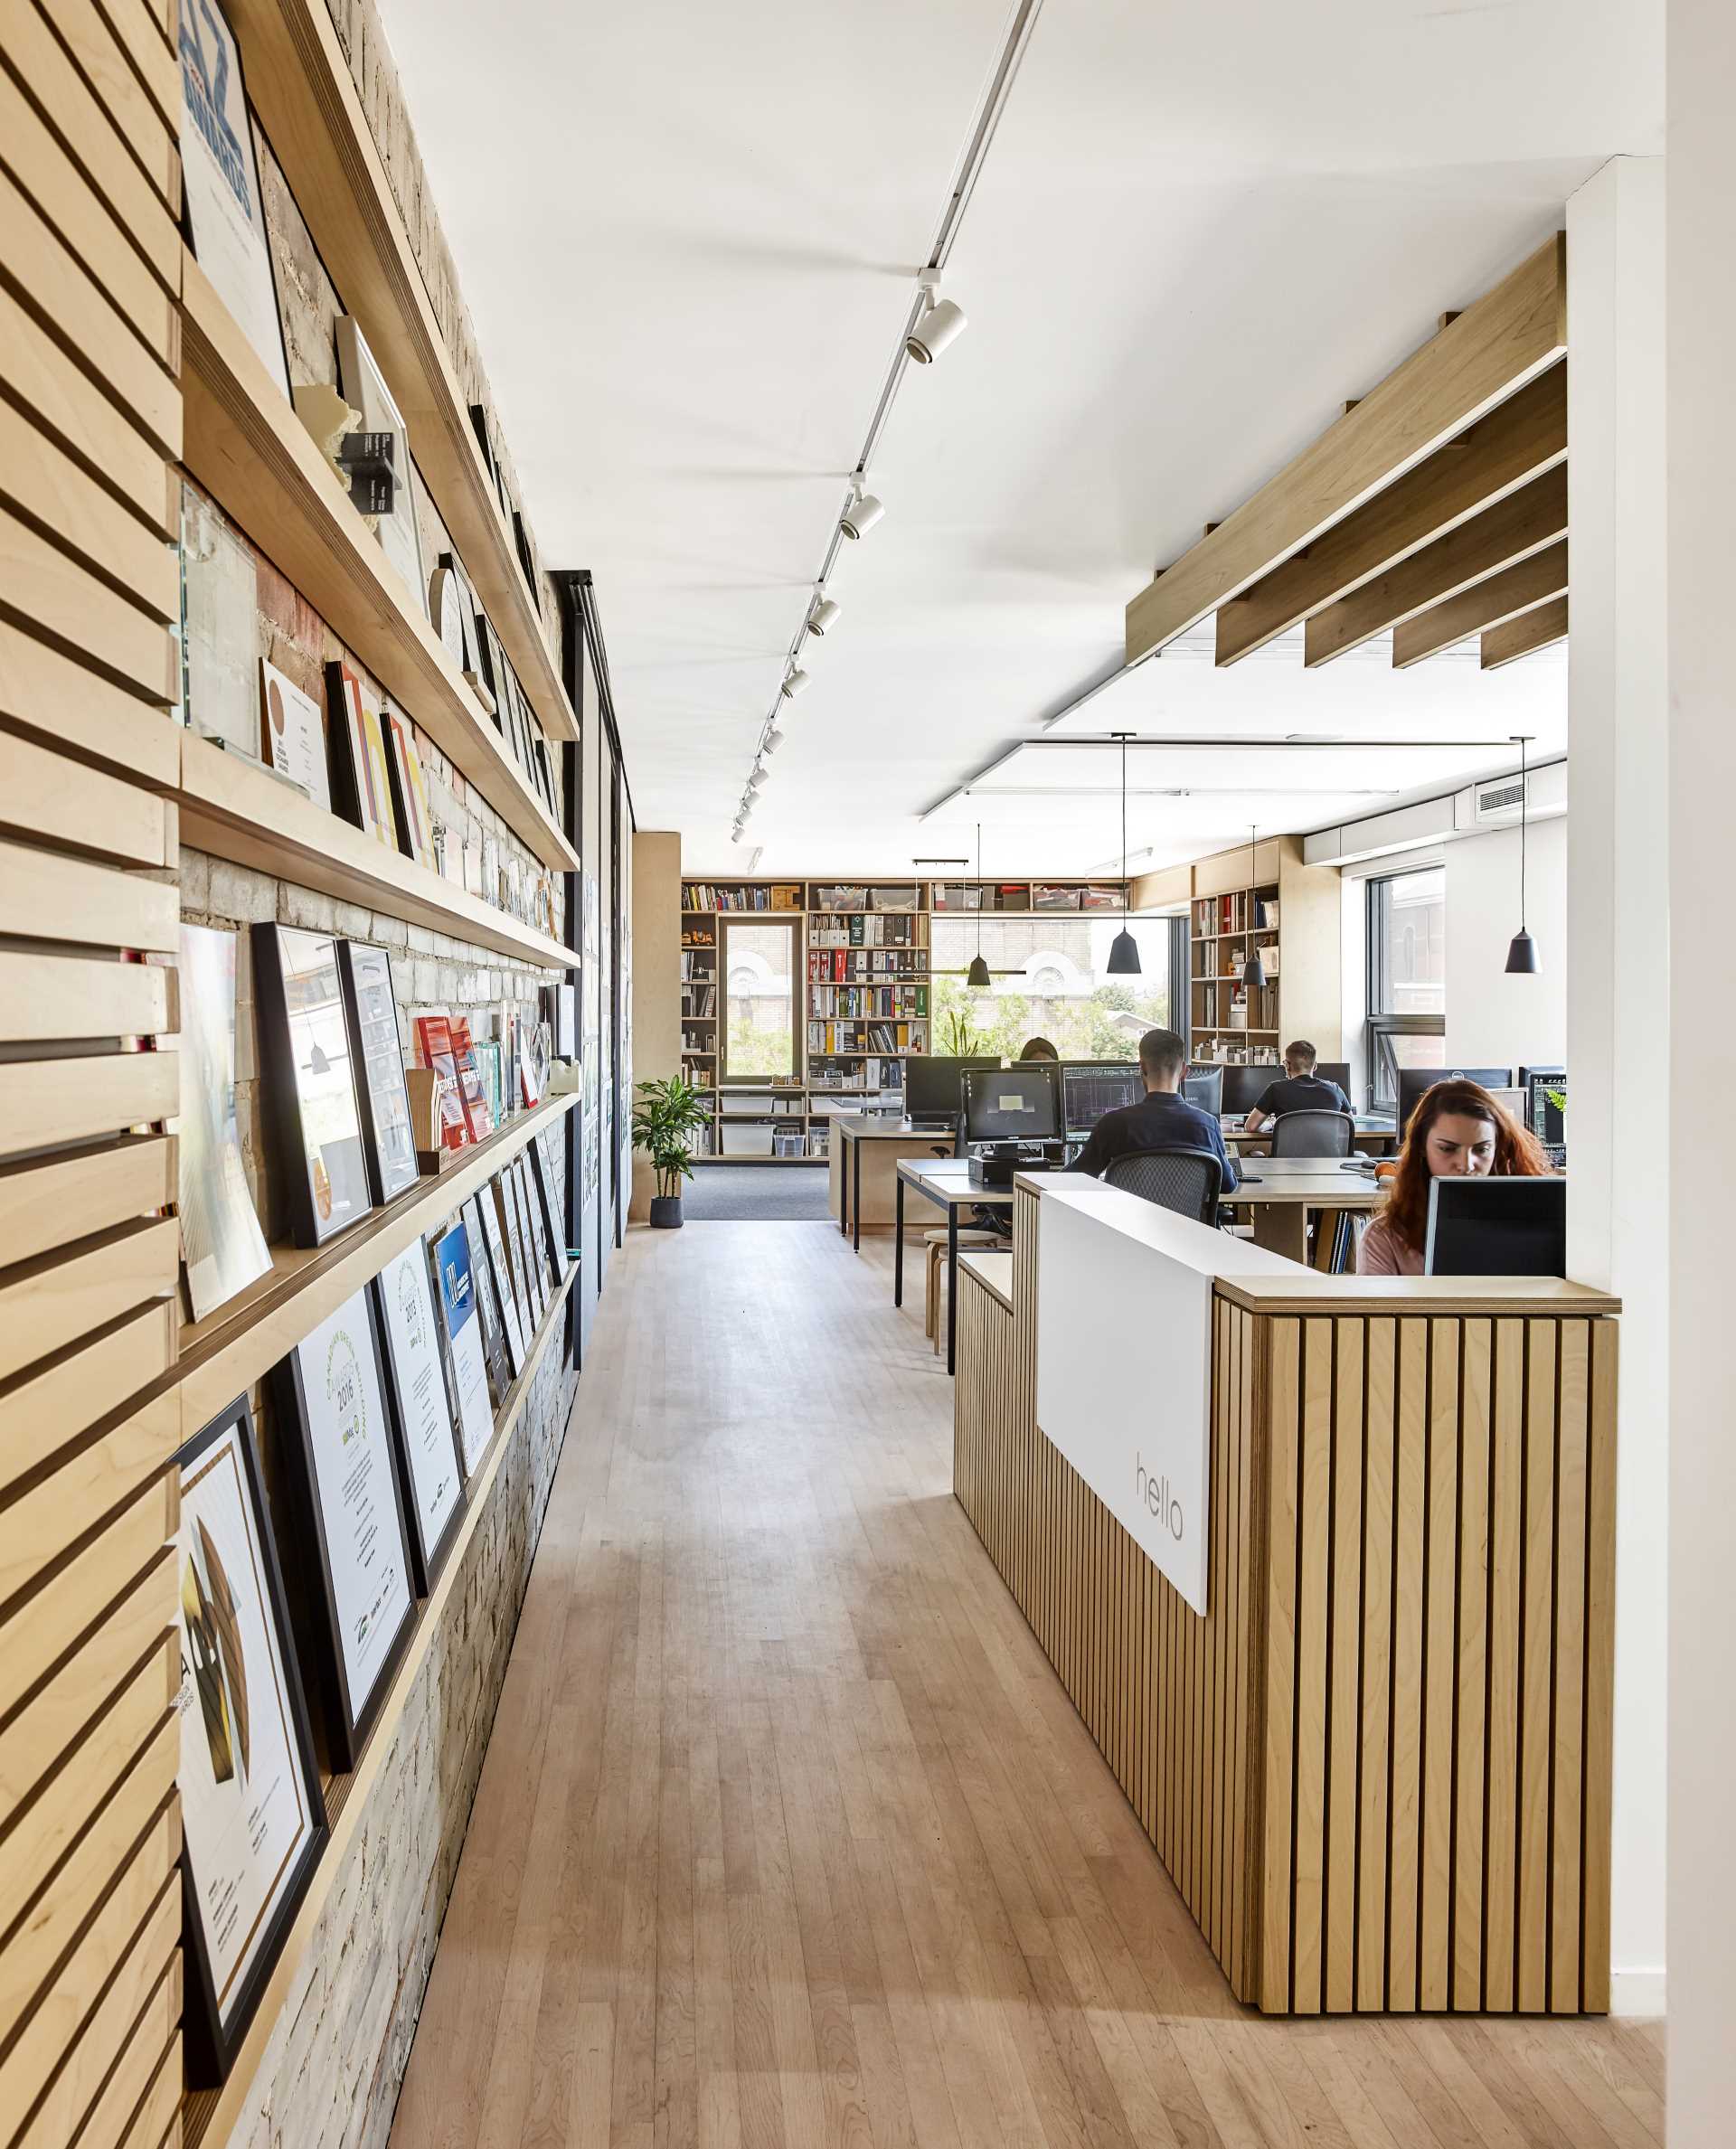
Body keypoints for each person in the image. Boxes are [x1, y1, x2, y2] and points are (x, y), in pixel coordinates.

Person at [1357, 1077, 1551, 1276]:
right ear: (1422, 1146)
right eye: (1448, 1148)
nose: (1466, 1165)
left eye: (1482, 1149)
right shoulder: (1384, 1238)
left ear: (1498, 1146)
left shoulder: (1540, 1223)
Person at [1073, 1026, 1238, 1191]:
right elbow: (1227, 1186)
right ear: (1184, 1071)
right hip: (1186, 1218)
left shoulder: (1114, 1123)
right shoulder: (1208, 1124)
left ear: (1142, 1067)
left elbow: (1075, 1178)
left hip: (1128, 1217)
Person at [1242, 1040, 1351, 1134]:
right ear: (1315, 1066)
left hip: (1288, 1158)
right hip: (1330, 1157)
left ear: (1287, 1065)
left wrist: (1272, 1123)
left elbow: (1250, 1127)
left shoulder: (1276, 1089)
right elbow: (1351, 1125)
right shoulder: (1335, 1089)